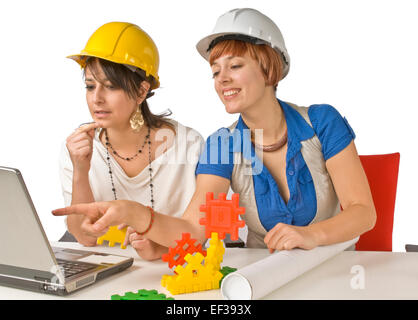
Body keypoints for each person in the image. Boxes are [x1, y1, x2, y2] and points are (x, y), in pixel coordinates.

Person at [53, 9, 376, 254]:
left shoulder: (321, 121)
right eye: (215, 71)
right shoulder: (222, 143)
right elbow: (196, 228)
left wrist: (310, 235)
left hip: (336, 268)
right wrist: (135, 214)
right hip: (265, 275)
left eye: (235, 66)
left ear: (269, 67)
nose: (222, 79)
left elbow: (363, 213)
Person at [59, 21, 204, 260]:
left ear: (141, 92)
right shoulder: (77, 148)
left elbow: (201, 233)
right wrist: (80, 171)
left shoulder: (189, 146)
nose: (97, 98)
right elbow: (84, 237)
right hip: (103, 270)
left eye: (110, 86)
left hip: (170, 271)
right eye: (89, 86)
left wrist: (161, 248)